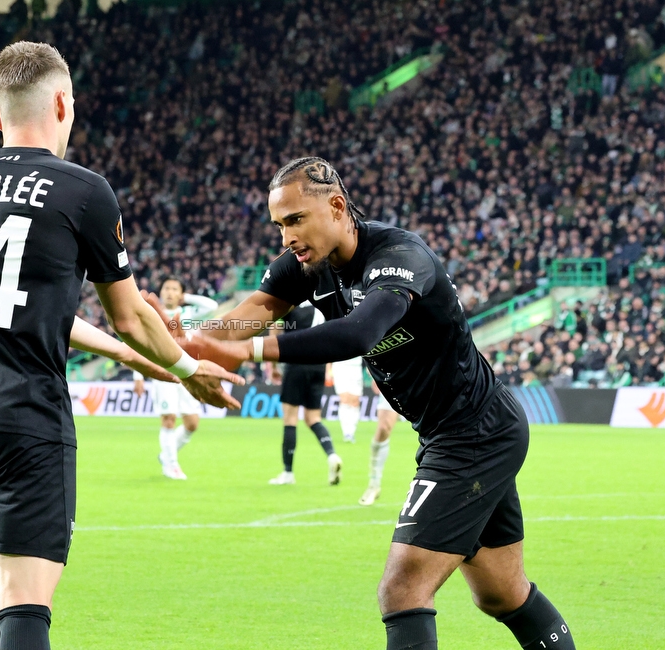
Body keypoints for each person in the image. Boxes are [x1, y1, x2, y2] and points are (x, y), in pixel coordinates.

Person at [162, 157, 575, 650]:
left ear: (337, 207)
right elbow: (252, 312)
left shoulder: (400, 256)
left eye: (295, 220)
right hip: (457, 431)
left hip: (474, 431)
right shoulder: (307, 265)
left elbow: (359, 332)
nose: (287, 237)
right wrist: (191, 341)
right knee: (501, 594)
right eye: (279, 225)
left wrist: (246, 351)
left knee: (403, 589)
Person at [0, 42, 241, 650]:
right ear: (64, 105)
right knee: (24, 599)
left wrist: (124, 356)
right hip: (22, 416)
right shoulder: (82, 190)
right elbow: (132, 316)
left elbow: (17, 307)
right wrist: (187, 367)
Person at [133, 277, 218, 479]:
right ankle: (171, 465)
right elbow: (141, 343)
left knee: (192, 423)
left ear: (181, 293)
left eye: (174, 289)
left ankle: (166, 456)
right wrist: (138, 375)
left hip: (188, 371)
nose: (170, 292)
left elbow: (212, 306)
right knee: (169, 418)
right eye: (166, 288)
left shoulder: (189, 314)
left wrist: (186, 298)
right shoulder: (152, 315)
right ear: (161, 292)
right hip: (164, 371)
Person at [268, 301, 343, 486]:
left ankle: (288, 473)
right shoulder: (323, 302)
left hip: (296, 361)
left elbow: (275, 329)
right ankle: (332, 455)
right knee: (313, 418)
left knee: (290, 418)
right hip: (319, 364)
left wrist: (273, 364)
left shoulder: (292, 302)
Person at [359, 379, 399, 506]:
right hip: (396, 377)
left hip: (432, 376)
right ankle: (374, 485)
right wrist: (374, 373)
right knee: (383, 428)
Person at [329, 355, 364, 442]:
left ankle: (351, 431)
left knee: (355, 401)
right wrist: (328, 369)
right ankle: (347, 432)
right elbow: (329, 349)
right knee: (344, 399)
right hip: (340, 366)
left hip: (356, 367)